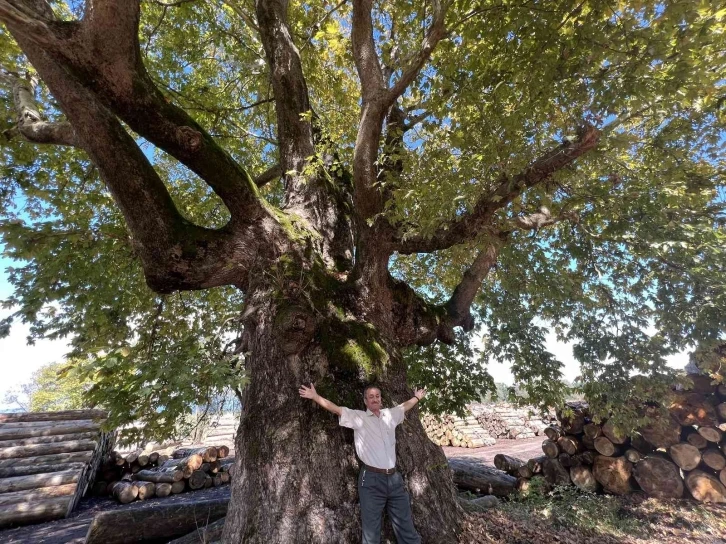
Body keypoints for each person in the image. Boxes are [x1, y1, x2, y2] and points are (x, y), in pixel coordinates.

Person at [299, 382, 426, 544]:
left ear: (381, 399)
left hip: (395, 480)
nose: (375, 399)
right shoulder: (358, 417)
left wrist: (416, 397)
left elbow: (404, 406)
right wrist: (315, 396)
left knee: (406, 527)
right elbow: (336, 409)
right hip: (371, 480)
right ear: (365, 401)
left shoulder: (390, 415)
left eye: (377, 396)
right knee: (371, 533)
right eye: (371, 397)